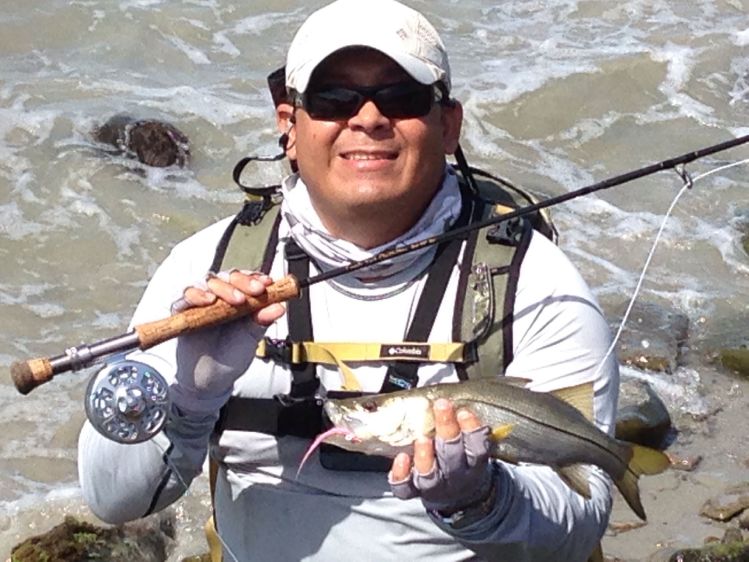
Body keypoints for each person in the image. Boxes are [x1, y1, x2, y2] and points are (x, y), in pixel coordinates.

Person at [77, 1, 619, 560]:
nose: (368, 118)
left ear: (449, 125)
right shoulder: (206, 269)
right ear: (288, 124)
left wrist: (481, 500)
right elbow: (113, 499)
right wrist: (190, 398)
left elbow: (579, 522)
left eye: (401, 96)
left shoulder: (536, 282)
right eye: (334, 98)